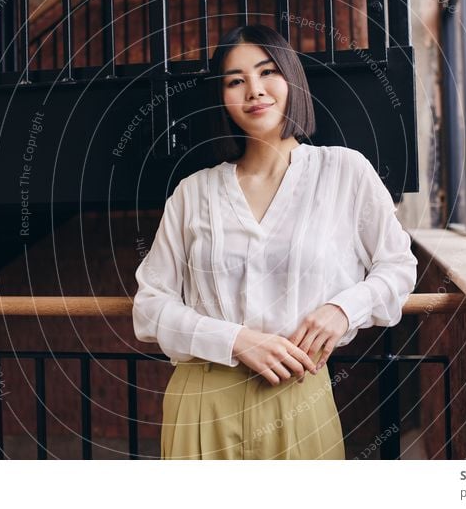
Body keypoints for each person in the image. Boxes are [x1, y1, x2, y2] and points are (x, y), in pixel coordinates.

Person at [132, 24, 418, 460]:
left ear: (291, 79)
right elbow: (150, 307)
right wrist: (234, 339)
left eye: (267, 72)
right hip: (201, 399)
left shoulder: (344, 171)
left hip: (299, 392)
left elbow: (398, 266)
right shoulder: (194, 192)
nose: (254, 91)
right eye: (235, 80)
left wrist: (343, 310)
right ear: (222, 97)